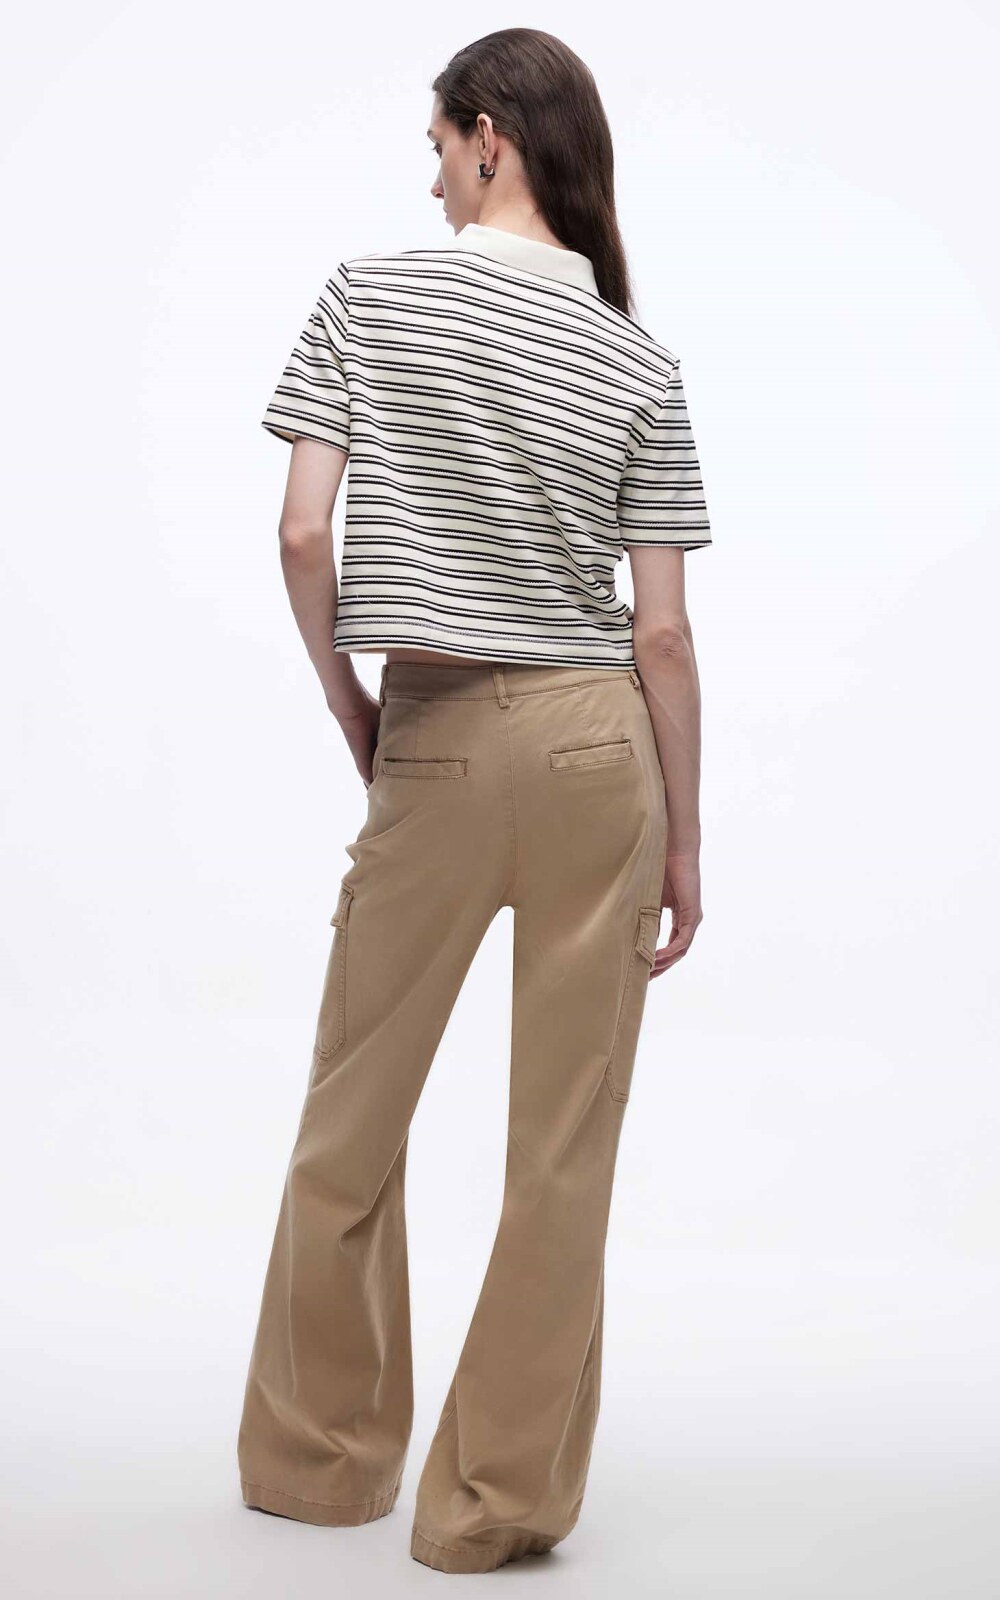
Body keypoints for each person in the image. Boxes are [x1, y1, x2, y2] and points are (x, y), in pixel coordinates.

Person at [237, 26, 712, 1576]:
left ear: (490, 134)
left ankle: (319, 1466)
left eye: (439, 145)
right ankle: (490, 1509)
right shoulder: (640, 359)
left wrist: (349, 701)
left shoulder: (367, 297)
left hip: (431, 733)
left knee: (349, 1117)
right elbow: (661, 637)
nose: (431, 176)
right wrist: (686, 836)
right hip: (598, 753)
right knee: (562, 1150)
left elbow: (301, 536)